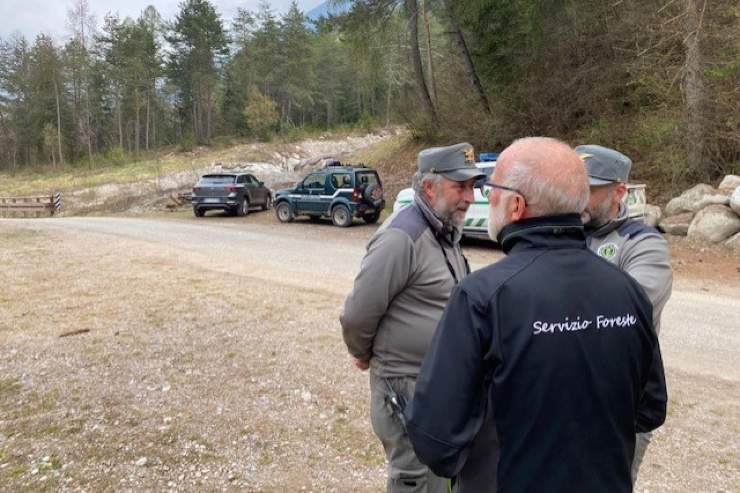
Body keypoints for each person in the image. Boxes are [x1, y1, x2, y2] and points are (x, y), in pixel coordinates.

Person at [406, 137, 667, 493]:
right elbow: (649, 409)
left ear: (516, 205)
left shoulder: (483, 297)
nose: (485, 197)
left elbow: (434, 439)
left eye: (491, 188)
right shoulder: (627, 290)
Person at [340, 142, 485, 493]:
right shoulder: (402, 236)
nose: (470, 196)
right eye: (460, 186)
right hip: (404, 386)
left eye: (472, 186)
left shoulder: (444, 229)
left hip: (435, 384)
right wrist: (362, 352)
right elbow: (358, 313)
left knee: (439, 477)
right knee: (416, 480)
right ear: (430, 187)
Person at [577, 144, 673, 482]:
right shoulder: (559, 236)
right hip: (564, 397)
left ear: (619, 191)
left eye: (588, 190)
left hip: (619, 402)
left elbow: (630, 310)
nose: (577, 198)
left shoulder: (642, 243)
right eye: (573, 187)